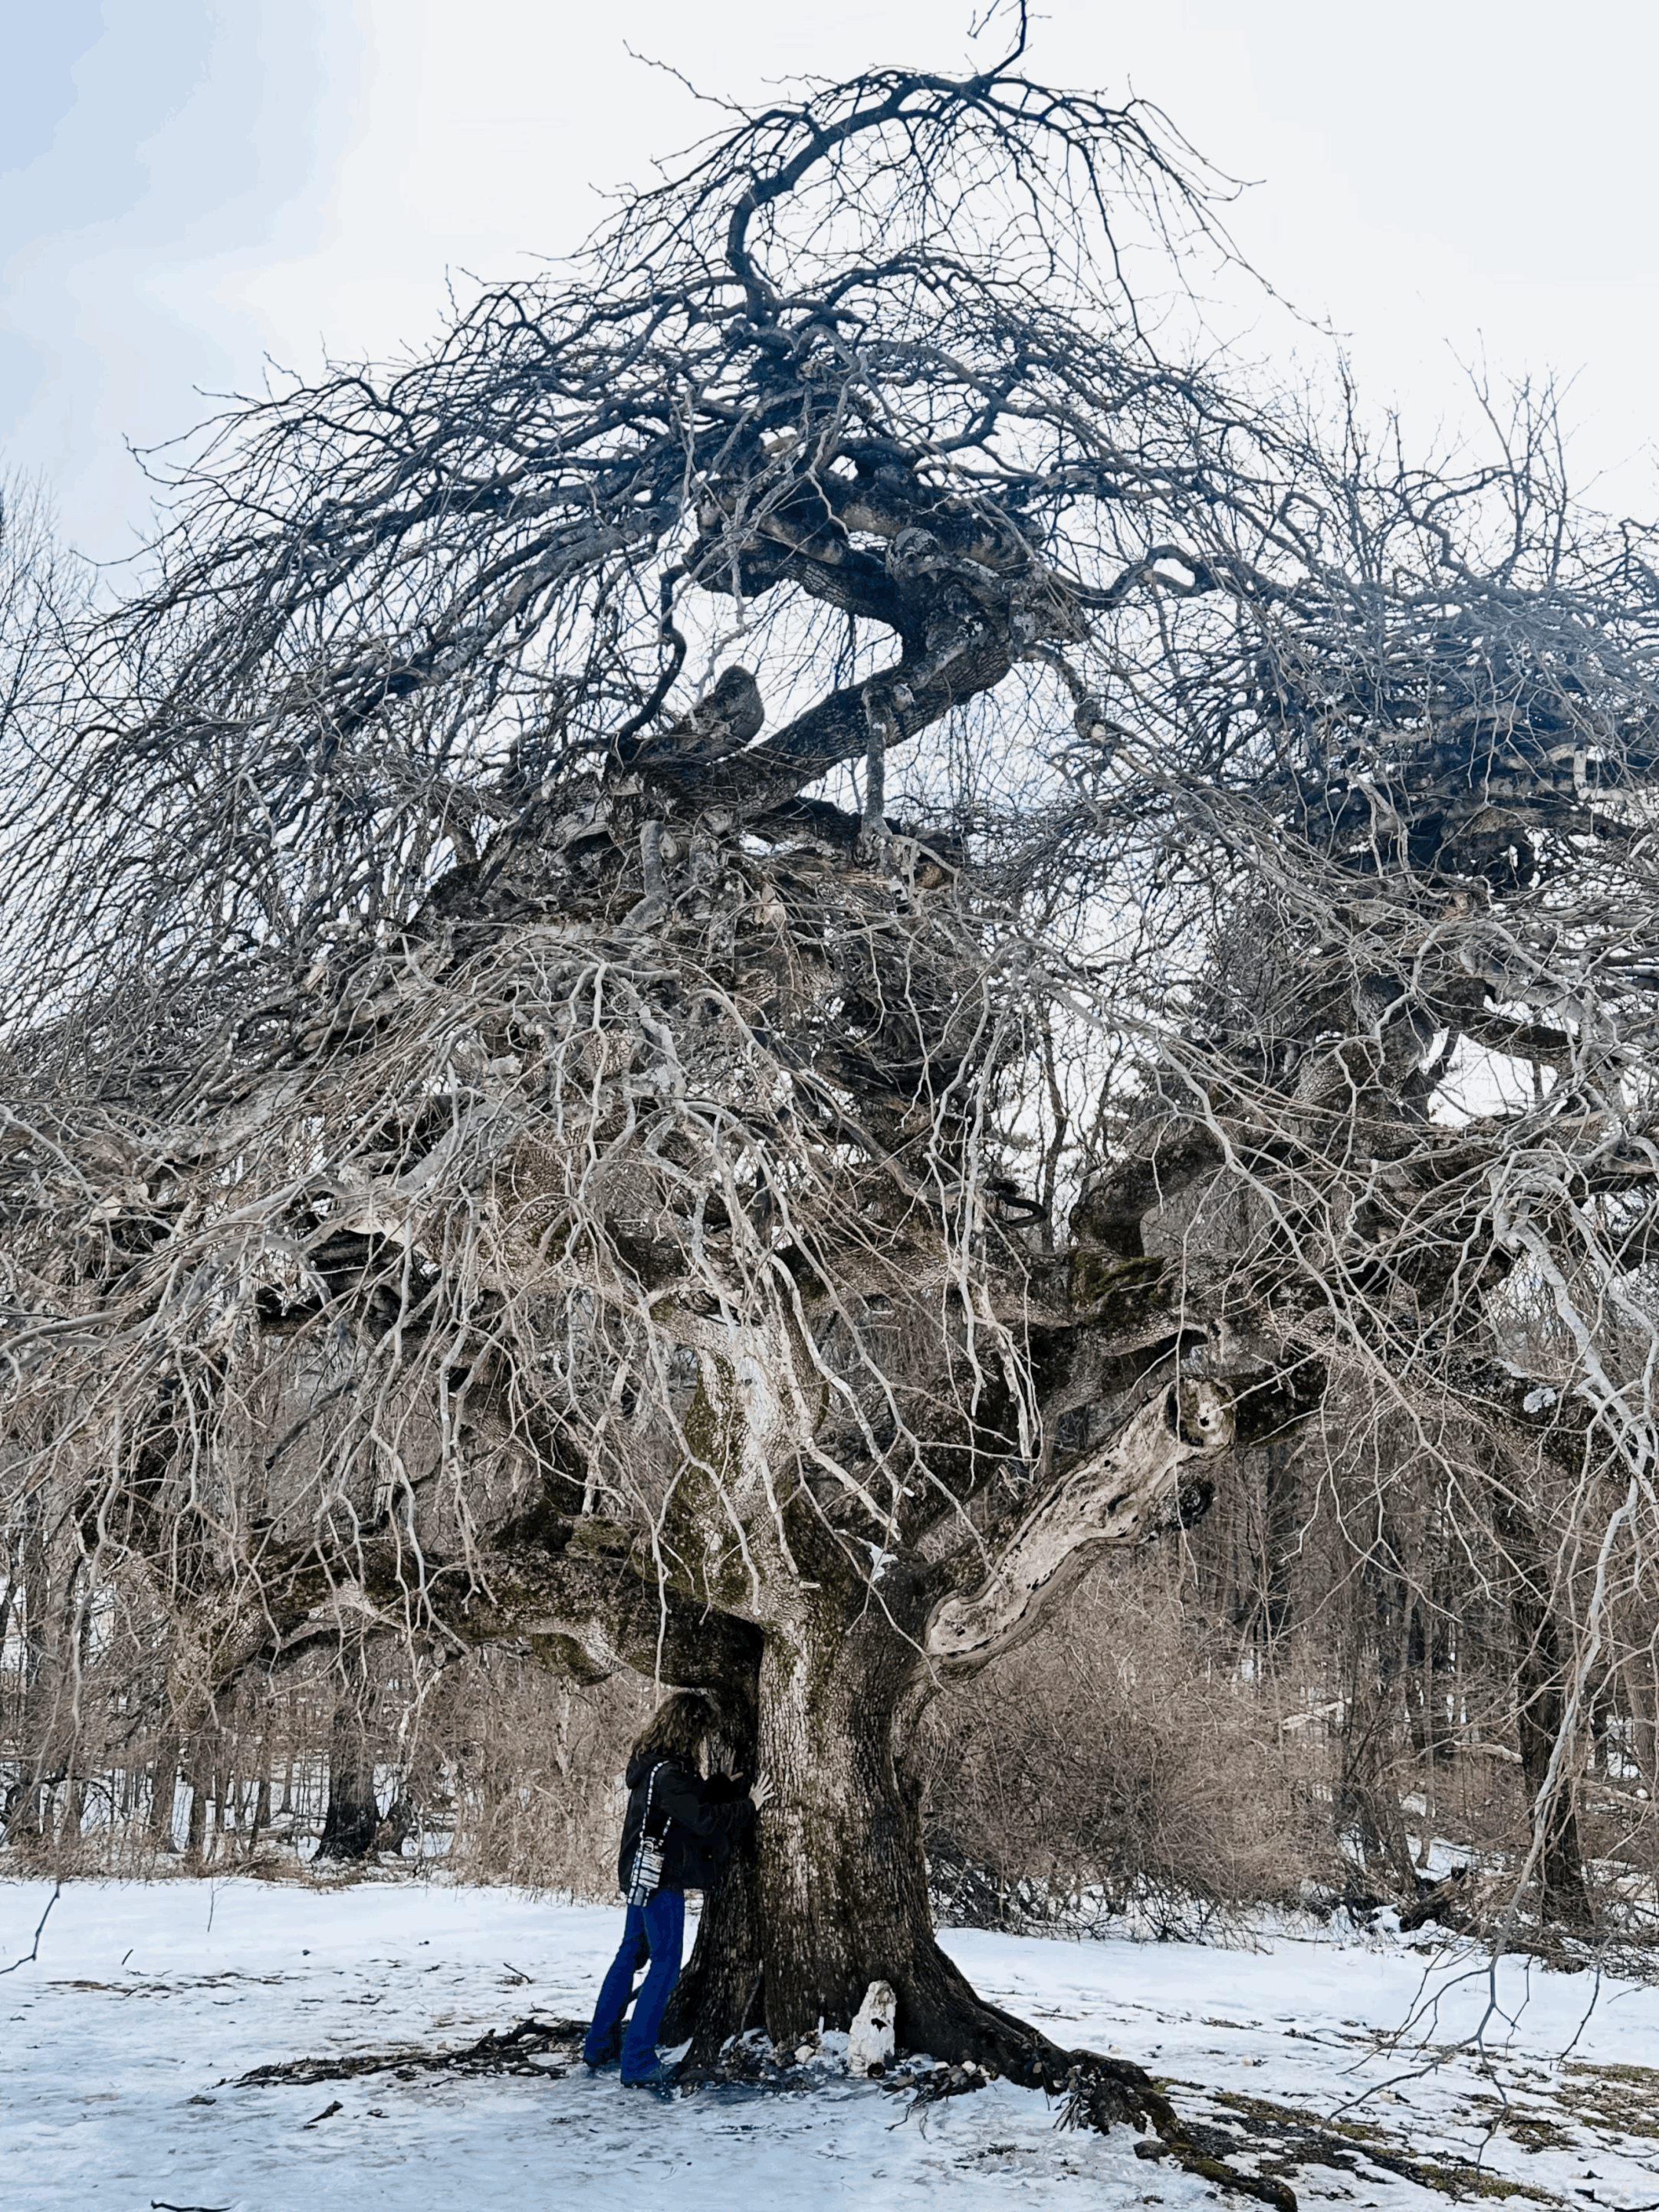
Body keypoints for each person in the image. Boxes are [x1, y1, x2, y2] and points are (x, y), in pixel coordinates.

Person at [583, 1691, 771, 2086]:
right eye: (700, 1736)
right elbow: (700, 1820)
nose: (702, 1745)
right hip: (659, 1881)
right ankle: (637, 2061)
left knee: (630, 1955)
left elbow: (685, 1805)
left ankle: (599, 2045)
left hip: (640, 1875)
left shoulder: (653, 1766)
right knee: (665, 1966)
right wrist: (749, 1805)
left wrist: (719, 1785)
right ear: (688, 1732)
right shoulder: (669, 1774)